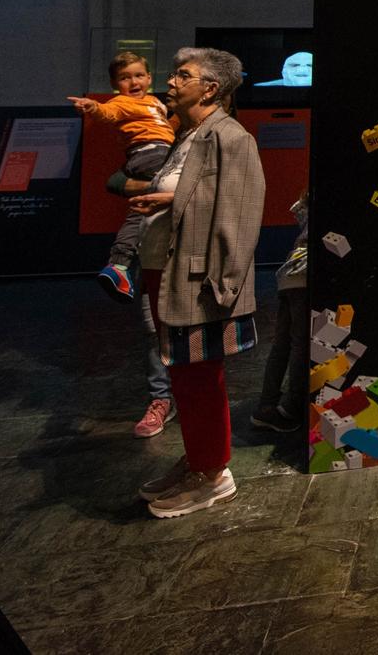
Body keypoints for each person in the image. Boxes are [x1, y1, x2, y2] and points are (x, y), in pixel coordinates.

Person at [127, 47, 267, 518]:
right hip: (165, 271)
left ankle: (212, 474)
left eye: (182, 75)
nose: (170, 81)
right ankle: (199, 460)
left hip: (198, 280)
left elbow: (241, 215)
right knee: (182, 374)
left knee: (200, 376)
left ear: (211, 87)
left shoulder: (231, 138)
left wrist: (225, 284)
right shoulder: (189, 135)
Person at [67, 50, 177, 304]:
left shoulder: (155, 102)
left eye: (139, 75)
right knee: (152, 204)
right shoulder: (121, 103)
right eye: (125, 78)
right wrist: (92, 107)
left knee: (144, 207)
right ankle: (121, 265)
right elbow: (106, 113)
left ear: (150, 78)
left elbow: (166, 125)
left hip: (159, 153)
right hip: (150, 154)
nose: (134, 82)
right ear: (115, 85)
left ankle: (119, 266)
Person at [250, 189, 311, 435]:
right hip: (306, 273)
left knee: (281, 343)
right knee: (301, 345)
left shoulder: (306, 202)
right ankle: (290, 409)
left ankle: (266, 406)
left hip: (288, 271)